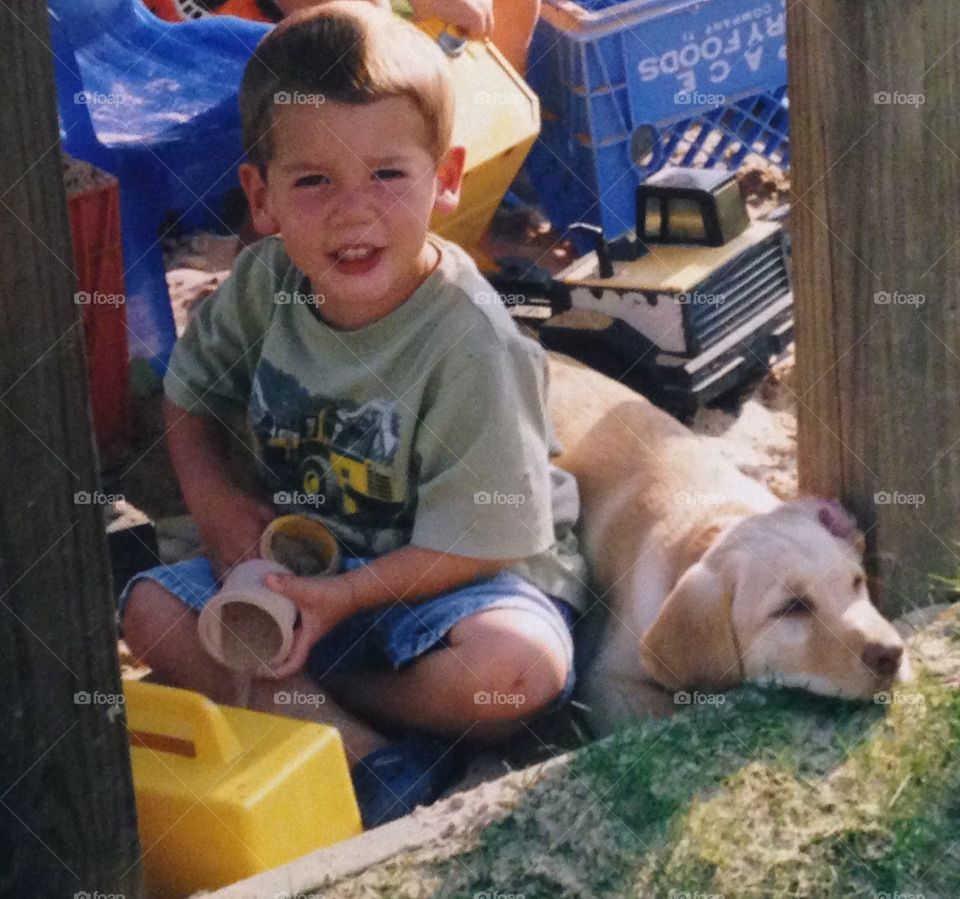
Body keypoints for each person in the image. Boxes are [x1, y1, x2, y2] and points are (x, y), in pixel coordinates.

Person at [119, 1, 587, 828]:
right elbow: (189, 394)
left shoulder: (473, 343)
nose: (354, 210)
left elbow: (479, 540)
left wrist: (340, 604)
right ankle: (372, 758)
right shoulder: (265, 285)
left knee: (520, 671)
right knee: (147, 612)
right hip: (293, 574)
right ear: (261, 198)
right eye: (313, 181)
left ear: (445, 179)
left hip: (447, 580)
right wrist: (217, 504)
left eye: (387, 174)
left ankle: (330, 705)